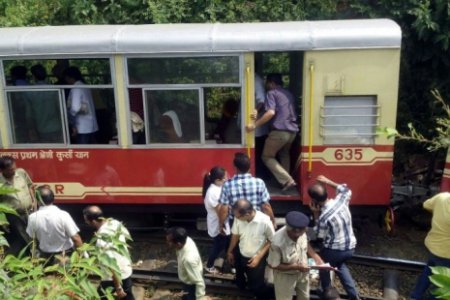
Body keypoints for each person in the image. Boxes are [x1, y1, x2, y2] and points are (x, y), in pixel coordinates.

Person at [308, 175, 360, 300]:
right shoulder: (341, 201)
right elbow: (346, 190)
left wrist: (315, 214)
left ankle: (326, 292)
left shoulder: (324, 217)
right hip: (350, 247)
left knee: (323, 265)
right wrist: (328, 181)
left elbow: (317, 236)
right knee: (340, 266)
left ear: (314, 200)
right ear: (326, 192)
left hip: (335, 251)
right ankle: (354, 296)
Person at [246, 73, 299, 191]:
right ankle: (285, 183)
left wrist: (254, 125)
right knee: (284, 154)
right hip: (292, 132)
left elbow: (270, 113)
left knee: (267, 156)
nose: (265, 86)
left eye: (267, 83)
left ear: (271, 83)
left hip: (279, 132)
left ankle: (287, 180)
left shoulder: (271, 93)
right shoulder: (288, 93)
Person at [267, 211, 323, 300]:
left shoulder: (301, 231)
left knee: (305, 297)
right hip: (285, 277)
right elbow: (273, 265)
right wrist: (295, 266)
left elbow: (306, 244)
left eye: (302, 232)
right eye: (295, 236)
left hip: (303, 273)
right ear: (290, 230)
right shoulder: (277, 242)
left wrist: (315, 256)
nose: (298, 237)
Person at [226, 199, 275, 299]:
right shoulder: (238, 218)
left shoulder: (264, 221)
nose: (236, 218)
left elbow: (272, 240)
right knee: (240, 278)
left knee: (256, 284)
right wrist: (230, 251)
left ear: (247, 214)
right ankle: (243, 287)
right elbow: (235, 235)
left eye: (238, 217)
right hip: (241, 253)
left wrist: (258, 256)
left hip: (256, 258)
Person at [83, 206, 134, 300]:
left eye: (86, 220)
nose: (86, 222)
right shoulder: (115, 222)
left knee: (103, 296)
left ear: (93, 221)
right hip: (126, 270)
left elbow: (111, 266)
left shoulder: (101, 240)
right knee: (127, 295)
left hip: (113, 278)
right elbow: (127, 236)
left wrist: (118, 287)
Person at [26, 186, 82, 265]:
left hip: (45, 257)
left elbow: (32, 240)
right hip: (64, 257)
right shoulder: (63, 215)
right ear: (53, 198)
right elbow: (76, 238)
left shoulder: (32, 218)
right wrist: (81, 255)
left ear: (37, 200)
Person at [218, 152, 275, 229]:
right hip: (256, 221)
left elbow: (224, 209)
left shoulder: (227, 185)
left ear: (235, 167)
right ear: (249, 167)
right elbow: (266, 206)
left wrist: (221, 224)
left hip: (236, 223)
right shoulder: (259, 182)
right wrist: (272, 221)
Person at [410, 192, 450, 300]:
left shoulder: (442, 197)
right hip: (447, 253)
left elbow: (426, 205)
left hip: (434, 247)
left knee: (428, 273)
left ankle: (415, 296)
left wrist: (438, 210)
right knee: (442, 284)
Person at [0, 156, 35, 256]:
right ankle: (31, 255)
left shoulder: (21, 173)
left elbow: (30, 186)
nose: (14, 171)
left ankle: (29, 253)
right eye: (11, 170)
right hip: (14, 215)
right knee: (23, 236)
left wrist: (33, 201)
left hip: (29, 211)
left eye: (14, 168)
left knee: (33, 234)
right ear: (2, 170)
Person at [166, 227, 207, 300]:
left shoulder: (188, 259)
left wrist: (200, 298)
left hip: (191, 286)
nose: (167, 243)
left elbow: (199, 282)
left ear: (178, 244)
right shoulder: (186, 239)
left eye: (169, 242)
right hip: (187, 280)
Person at [202, 166, 230, 273]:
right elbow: (220, 211)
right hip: (218, 223)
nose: (226, 179)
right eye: (225, 178)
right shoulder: (213, 192)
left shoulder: (216, 188)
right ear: (217, 180)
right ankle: (209, 265)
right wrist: (221, 226)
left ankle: (229, 260)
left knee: (224, 243)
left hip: (220, 221)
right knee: (218, 246)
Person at [26, 64, 63, 143]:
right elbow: (60, 108)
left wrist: (31, 130)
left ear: (33, 76)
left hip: (41, 128)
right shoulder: (54, 89)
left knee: (46, 153)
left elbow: (29, 114)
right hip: (57, 127)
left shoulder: (29, 92)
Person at [64, 66, 99, 144]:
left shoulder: (76, 88)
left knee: (83, 151)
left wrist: (72, 122)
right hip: (90, 125)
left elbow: (75, 108)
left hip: (82, 127)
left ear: (70, 77)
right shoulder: (84, 86)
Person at [254, 73, 270, 180]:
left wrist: (255, 110)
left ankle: (262, 177)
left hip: (257, 130)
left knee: (259, 154)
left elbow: (262, 101)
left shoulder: (255, 79)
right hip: (256, 129)